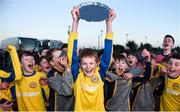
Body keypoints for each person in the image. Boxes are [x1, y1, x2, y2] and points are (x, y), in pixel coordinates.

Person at [68, 6, 116, 111]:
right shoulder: (77, 75)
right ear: (80, 65)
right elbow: (71, 53)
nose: (88, 67)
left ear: (96, 63)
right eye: (84, 63)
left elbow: (107, 53)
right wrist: (75, 21)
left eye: (91, 63)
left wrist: (109, 24)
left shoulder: (100, 74)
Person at [6, 45, 49, 111]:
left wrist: (45, 86)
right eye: (27, 59)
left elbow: (48, 98)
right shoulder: (17, 79)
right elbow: (7, 94)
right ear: (20, 64)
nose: (31, 61)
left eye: (32, 59)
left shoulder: (42, 76)